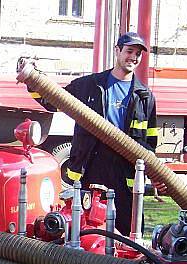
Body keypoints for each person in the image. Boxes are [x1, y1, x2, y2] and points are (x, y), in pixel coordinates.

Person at [32, 32, 165, 235]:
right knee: (85, 231)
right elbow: (53, 101)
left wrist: (155, 173)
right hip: (90, 171)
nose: (133, 57)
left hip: (125, 176)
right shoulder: (89, 86)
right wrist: (31, 81)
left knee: (128, 234)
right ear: (117, 51)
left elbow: (150, 141)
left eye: (138, 54)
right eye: (129, 51)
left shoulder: (145, 96)